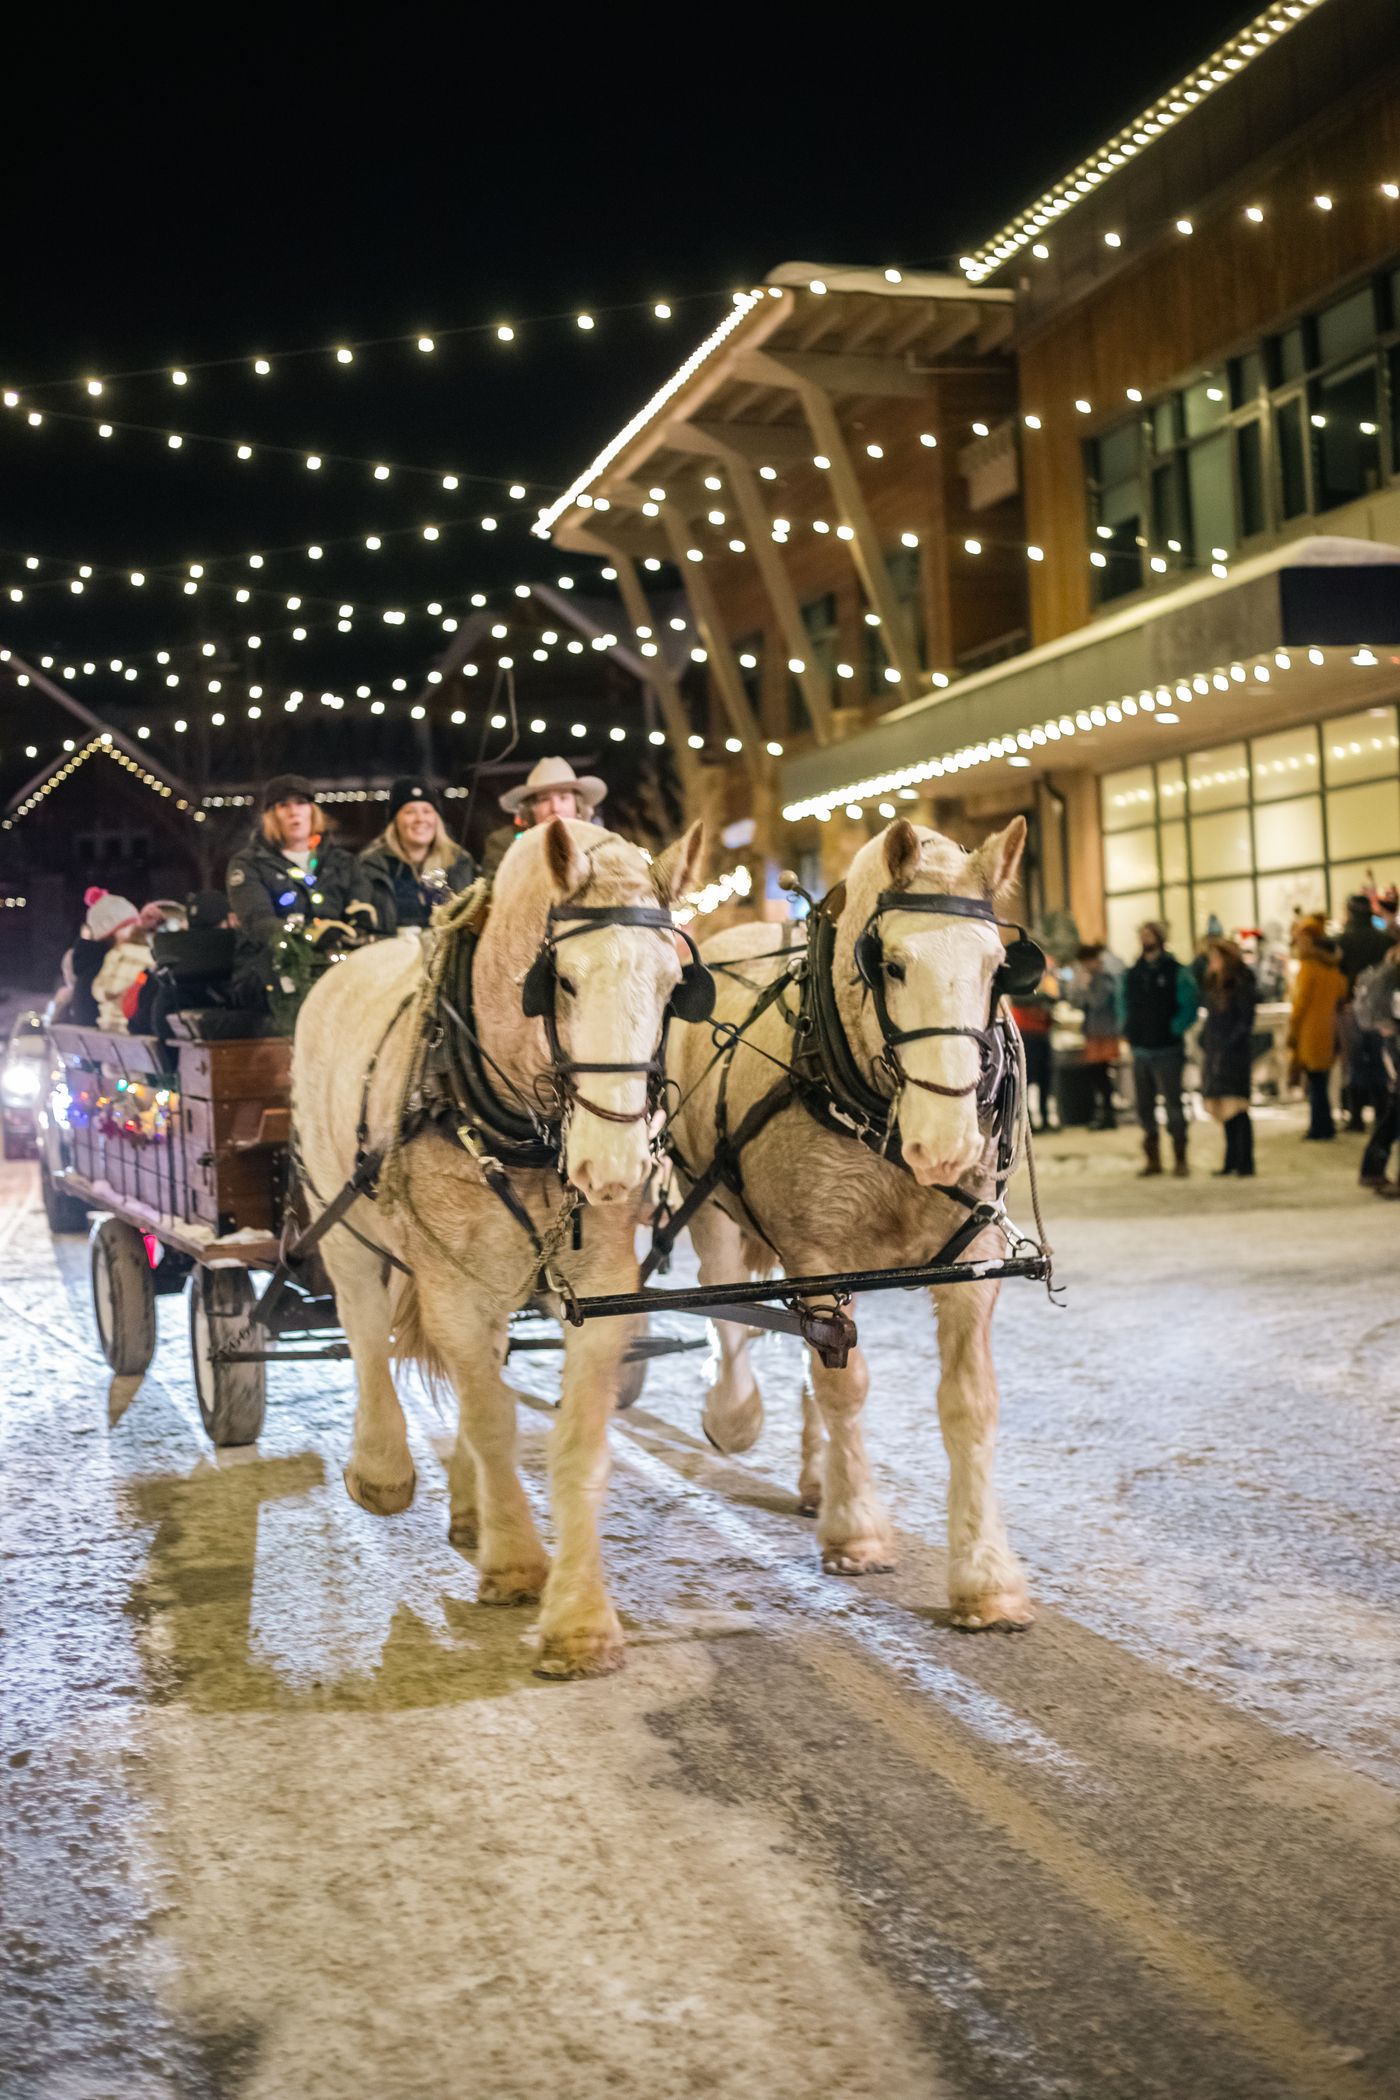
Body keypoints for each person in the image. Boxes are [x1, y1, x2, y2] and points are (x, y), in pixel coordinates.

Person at [226, 774, 378, 1008]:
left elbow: (361, 907)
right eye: (283, 805)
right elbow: (258, 922)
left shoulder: (343, 862)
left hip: (339, 964)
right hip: (273, 970)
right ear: (270, 815)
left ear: (312, 810)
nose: (293, 811)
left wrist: (357, 926)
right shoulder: (248, 864)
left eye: (301, 803)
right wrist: (310, 936)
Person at [1116, 921, 1200, 1176]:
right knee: (1145, 1106)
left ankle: (1180, 1157)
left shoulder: (1176, 971)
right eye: (1142, 935)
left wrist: (1174, 1028)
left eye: (1149, 935)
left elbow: (1190, 1003)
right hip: (1141, 1048)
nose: (1145, 939)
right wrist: (1127, 1028)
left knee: (1174, 1104)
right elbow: (1122, 1004)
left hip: (1168, 1049)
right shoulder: (1134, 973)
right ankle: (1153, 1158)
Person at [359, 777, 475, 933]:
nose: (420, 819)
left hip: (442, 952)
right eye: (410, 812)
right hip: (391, 953)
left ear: (436, 818)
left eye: (427, 811)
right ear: (395, 820)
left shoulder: (458, 862)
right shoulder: (372, 864)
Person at [481, 756, 607, 880]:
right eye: (544, 799)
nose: (555, 808)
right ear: (529, 808)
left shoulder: (599, 842)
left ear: (578, 806)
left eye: (563, 798)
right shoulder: (503, 843)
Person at [1199, 938, 1258, 1176]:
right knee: (1226, 1109)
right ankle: (1232, 1160)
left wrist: (1228, 1043)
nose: (1210, 962)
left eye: (1214, 957)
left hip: (1232, 1054)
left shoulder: (1240, 984)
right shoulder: (1217, 985)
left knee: (1237, 1108)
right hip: (1218, 1052)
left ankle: (1244, 1161)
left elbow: (1245, 1021)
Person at [1288, 915, 1348, 1141]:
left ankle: (1319, 1126)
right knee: (1321, 1081)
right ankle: (1324, 1124)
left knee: (1316, 1083)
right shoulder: (1332, 967)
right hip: (1330, 1029)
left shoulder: (1308, 968)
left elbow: (1300, 1003)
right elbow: (1342, 992)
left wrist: (1293, 1031)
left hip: (1310, 1032)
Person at [1336, 893, 1392, 1130]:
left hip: (1352, 1006)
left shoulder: (1343, 941)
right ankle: (1381, 1112)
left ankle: (1357, 1115)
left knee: (1355, 1061)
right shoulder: (1384, 940)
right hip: (1382, 1008)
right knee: (1380, 1060)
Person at [1357, 942, 1400, 1196]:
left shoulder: (1388, 969)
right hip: (1395, 1041)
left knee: (1394, 1112)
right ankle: (1372, 1170)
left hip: (1391, 1044)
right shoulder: (1394, 975)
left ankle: (1371, 1170)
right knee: (1394, 1113)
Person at [1069, 944, 1122, 1129]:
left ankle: (1108, 1114)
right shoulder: (1093, 977)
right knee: (1097, 1074)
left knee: (1101, 1074)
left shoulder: (1104, 977)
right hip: (1093, 1032)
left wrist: (1084, 988)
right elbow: (1075, 1001)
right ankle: (1105, 1113)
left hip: (1104, 1033)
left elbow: (1097, 1001)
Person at [1009, 966, 1057, 1134]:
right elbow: (1018, 999)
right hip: (1026, 1035)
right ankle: (1027, 1119)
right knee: (1026, 1079)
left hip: (1042, 1033)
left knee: (1045, 1078)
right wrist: (1041, 998)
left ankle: (1044, 1117)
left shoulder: (1045, 982)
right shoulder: (1019, 983)